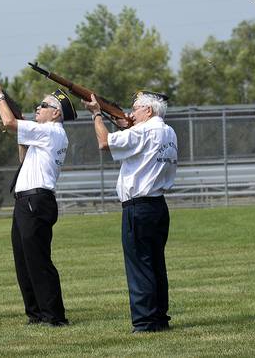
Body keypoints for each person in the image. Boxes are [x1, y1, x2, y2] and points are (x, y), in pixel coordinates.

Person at [0, 81, 76, 326]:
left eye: (44, 105)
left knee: (38, 259)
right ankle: (36, 313)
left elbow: (8, 123)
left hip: (36, 199)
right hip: (26, 200)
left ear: (56, 113)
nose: (38, 107)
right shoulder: (43, 133)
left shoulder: (52, 131)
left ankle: (54, 315)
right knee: (23, 260)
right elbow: (23, 156)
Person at [83, 91, 177, 333]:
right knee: (156, 264)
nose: (132, 113)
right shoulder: (168, 131)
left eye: (136, 108)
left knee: (139, 265)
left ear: (149, 110)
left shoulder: (144, 131)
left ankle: (145, 322)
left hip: (138, 206)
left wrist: (96, 114)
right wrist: (125, 125)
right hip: (158, 205)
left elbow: (104, 143)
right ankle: (159, 317)